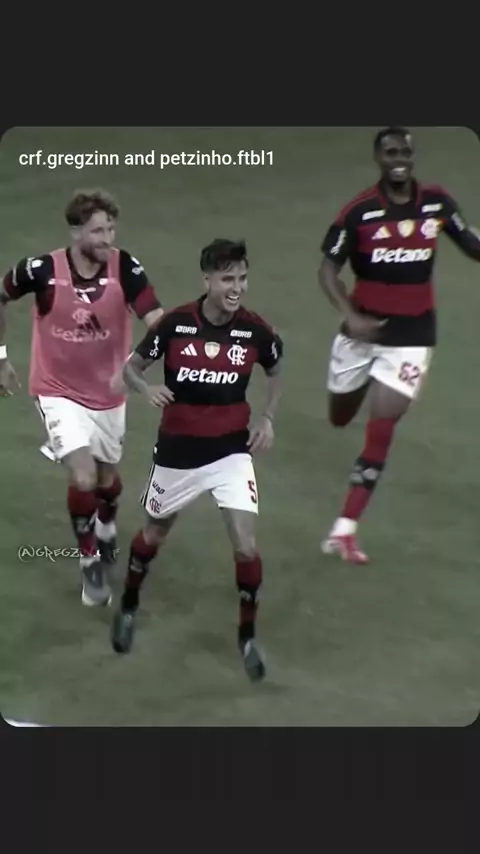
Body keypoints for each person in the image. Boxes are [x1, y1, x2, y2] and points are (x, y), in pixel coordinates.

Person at [110, 238, 283, 682]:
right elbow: (132, 367)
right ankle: (128, 605)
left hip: (231, 452)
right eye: (228, 279)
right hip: (178, 454)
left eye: (242, 278)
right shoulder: (175, 325)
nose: (237, 287)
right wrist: (146, 389)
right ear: (207, 280)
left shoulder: (255, 330)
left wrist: (267, 417)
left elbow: (275, 367)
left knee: (245, 547)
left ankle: (247, 637)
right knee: (153, 534)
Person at [318, 126, 480, 563]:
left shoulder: (436, 203)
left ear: (413, 156)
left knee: (383, 423)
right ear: (379, 159)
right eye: (390, 152)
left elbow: (471, 244)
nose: (399, 159)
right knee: (340, 416)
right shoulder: (359, 212)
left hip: (412, 337)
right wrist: (351, 316)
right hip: (361, 335)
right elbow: (327, 271)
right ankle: (345, 526)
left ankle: (344, 529)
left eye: (405, 152)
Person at [0, 188, 164, 604]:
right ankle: (89, 561)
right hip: (56, 391)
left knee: (107, 481)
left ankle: (106, 524)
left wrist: (149, 360)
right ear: (76, 232)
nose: (107, 238)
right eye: (97, 231)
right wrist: (0, 357)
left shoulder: (125, 268)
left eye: (110, 229)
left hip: (108, 393)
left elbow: (157, 320)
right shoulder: (40, 271)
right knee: (85, 477)